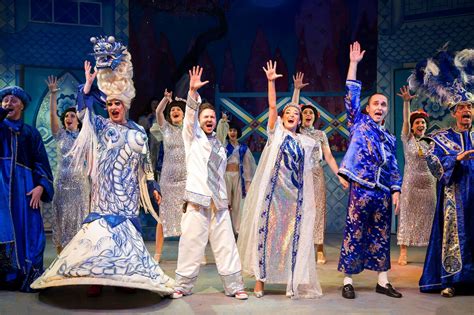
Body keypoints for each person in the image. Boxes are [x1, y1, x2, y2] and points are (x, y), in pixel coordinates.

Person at [31, 36, 174, 296]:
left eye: (116, 103)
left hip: (127, 196)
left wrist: (152, 186)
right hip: (103, 196)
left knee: (126, 239)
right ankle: (95, 279)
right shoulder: (100, 126)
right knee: (99, 238)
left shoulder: (138, 133)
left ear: (125, 105)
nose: (112, 108)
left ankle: (127, 280)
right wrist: (86, 88)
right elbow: (84, 112)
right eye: (108, 104)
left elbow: (145, 164)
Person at [237, 61, 322, 299]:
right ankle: (260, 281)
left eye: (296, 114)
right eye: (290, 113)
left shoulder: (304, 142)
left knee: (290, 239)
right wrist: (271, 81)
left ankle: (290, 282)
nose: (293, 115)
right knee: (266, 235)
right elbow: (273, 106)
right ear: (283, 118)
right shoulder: (276, 133)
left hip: (293, 199)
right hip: (271, 196)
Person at [172, 66, 247, 300]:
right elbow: (189, 120)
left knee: (226, 245)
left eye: (212, 117)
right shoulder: (192, 138)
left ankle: (235, 286)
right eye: (205, 117)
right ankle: (182, 286)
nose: (210, 120)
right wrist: (193, 94)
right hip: (197, 200)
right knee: (191, 245)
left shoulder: (219, 144)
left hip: (219, 202)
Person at [337, 42, 402, 299]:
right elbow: (350, 94)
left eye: (384, 104)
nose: (379, 107)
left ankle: (382, 281)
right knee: (354, 230)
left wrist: (396, 190)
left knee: (382, 234)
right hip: (361, 187)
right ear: (367, 108)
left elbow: (394, 167)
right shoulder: (358, 122)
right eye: (376, 103)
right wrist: (354, 64)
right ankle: (348, 280)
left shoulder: (390, 137)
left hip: (383, 192)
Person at [409, 47, 474, 297]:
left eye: (470, 107)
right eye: (462, 108)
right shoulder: (441, 138)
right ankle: (451, 281)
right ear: (454, 112)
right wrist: (455, 159)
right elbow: (434, 163)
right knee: (453, 237)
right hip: (454, 199)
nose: (466, 111)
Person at [0, 86, 54, 292]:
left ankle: (25, 275)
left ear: (22, 105)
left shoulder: (30, 134)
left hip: (24, 191)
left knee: (29, 230)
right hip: (1, 190)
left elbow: (41, 164)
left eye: (13, 100)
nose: (8, 103)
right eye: (5, 100)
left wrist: (41, 186)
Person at [291, 72, 349, 264]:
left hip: (316, 174)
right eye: (305, 112)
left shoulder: (320, 134)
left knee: (318, 210)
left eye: (311, 113)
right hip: (298, 176)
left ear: (315, 117)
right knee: (298, 209)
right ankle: (299, 247)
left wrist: (340, 175)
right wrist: (297, 91)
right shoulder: (296, 133)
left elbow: (329, 157)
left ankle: (320, 248)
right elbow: (291, 112)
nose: (308, 115)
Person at [46, 76, 91, 254]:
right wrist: (52, 94)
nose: (68, 118)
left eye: (72, 116)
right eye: (66, 116)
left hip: (80, 185)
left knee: (80, 219)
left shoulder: (84, 137)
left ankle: (79, 256)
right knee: (62, 219)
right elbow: (52, 115)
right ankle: (61, 258)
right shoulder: (60, 135)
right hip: (62, 184)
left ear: (78, 121)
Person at [395, 86, 436, 266]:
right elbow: (405, 119)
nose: (421, 125)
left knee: (430, 216)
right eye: (417, 123)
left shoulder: (431, 142)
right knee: (406, 215)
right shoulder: (407, 139)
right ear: (412, 126)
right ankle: (403, 251)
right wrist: (406, 102)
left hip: (428, 184)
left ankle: (430, 251)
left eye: (423, 123)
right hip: (411, 183)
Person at [149, 89, 186, 262]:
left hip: (186, 179)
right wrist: (165, 99)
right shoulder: (166, 129)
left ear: (184, 114)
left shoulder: (189, 132)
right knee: (163, 217)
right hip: (168, 180)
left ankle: (192, 253)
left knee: (188, 217)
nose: (175, 112)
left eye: (178, 110)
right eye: (172, 110)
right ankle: (157, 254)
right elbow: (158, 112)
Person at [216, 113, 256, 235]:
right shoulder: (223, 146)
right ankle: (225, 231)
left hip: (238, 178)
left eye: (234, 130)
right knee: (225, 202)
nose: (232, 133)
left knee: (238, 205)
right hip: (226, 177)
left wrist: (248, 182)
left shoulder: (243, 148)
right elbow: (219, 134)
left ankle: (237, 231)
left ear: (238, 132)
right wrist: (223, 123)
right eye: (230, 130)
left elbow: (249, 166)